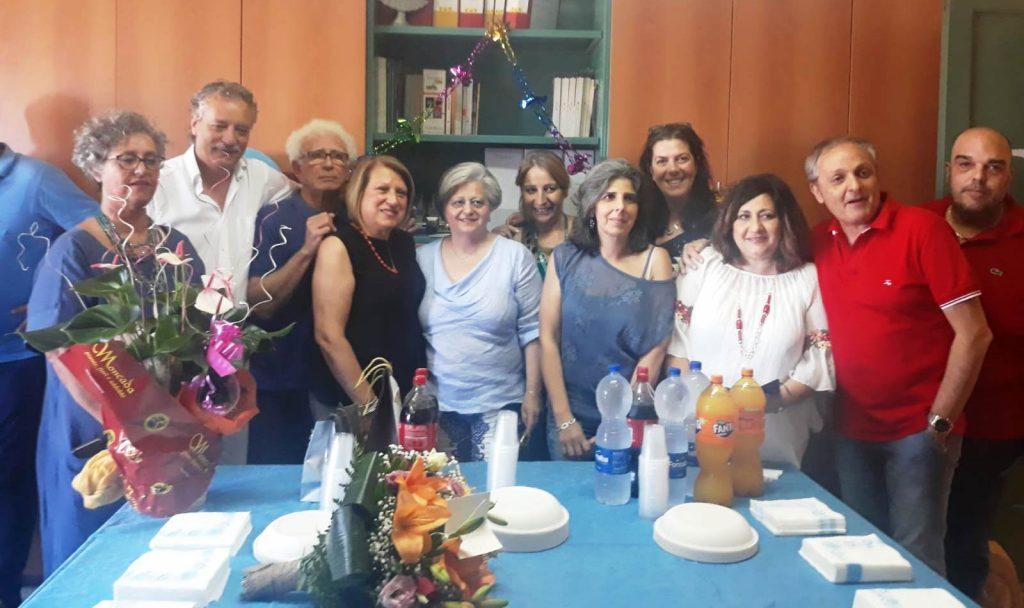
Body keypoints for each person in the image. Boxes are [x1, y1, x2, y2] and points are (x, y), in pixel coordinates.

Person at [26, 111, 203, 576]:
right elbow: (58, 350)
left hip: (166, 432)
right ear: (95, 167)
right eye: (126, 159)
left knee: (163, 564)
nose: (141, 169)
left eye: (151, 160)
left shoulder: (176, 248)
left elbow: (199, 334)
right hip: (95, 433)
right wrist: (125, 431)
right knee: (91, 566)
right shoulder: (74, 249)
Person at [806, 136, 991, 574]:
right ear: (818, 191)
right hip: (851, 431)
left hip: (918, 433)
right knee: (862, 551)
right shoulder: (817, 242)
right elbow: (756, 256)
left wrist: (939, 422)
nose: (854, 186)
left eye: (863, 173)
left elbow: (975, 334)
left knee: (917, 557)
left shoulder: (922, 230)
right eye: (838, 178)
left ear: (877, 177)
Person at [666, 174, 835, 467]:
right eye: (744, 216)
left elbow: (819, 356)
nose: (755, 227)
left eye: (766, 215)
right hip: (700, 426)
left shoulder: (807, 278)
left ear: (784, 222)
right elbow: (678, 343)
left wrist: (770, 401)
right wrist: (696, 407)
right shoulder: (703, 264)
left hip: (775, 433)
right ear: (730, 223)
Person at [921, 127, 1022, 600]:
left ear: (1008, 177)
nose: (977, 177)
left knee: (963, 544)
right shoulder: (916, 224)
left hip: (991, 430)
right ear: (949, 170)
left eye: (993, 167)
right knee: (906, 537)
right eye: (966, 164)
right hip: (911, 422)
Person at [0, 144, 97, 607]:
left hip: (15, 362)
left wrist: (48, 295)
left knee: (7, 482)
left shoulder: (34, 179)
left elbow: (104, 235)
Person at [539, 159, 675, 460]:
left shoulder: (655, 260)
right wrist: (564, 418)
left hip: (629, 418)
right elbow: (548, 338)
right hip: (568, 417)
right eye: (609, 197)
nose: (620, 207)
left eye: (629, 198)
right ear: (592, 206)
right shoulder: (564, 258)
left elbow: (656, 347)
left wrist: (621, 421)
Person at [245, 119, 356, 463]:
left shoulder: (356, 218)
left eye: (338, 156)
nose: (329, 163)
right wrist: (306, 250)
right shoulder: (274, 218)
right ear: (297, 168)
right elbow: (258, 302)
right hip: (281, 381)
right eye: (317, 155)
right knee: (280, 480)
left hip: (341, 380)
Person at [417, 162, 542, 461]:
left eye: (477, 202)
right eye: (457, 202)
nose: (467, 210)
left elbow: (533, 332)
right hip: (437, 407)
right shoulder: (421, 258)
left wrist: (532, 394)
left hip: (500, 405)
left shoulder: (515, 257)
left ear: (491, 207)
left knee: (497, 486)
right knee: (442, 487)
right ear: (444, 208)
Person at [149, 80, 293, 305]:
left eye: (241, 130)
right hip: (177, 321)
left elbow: (302, 193)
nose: (230, 139)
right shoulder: (158, 184)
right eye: (219, 126)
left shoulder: (264, 179)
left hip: (241, 323)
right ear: (195, 124)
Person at [313, 156, 427, 411]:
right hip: (358, 394)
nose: (393, 200)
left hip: (406, 389)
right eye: (382, 189)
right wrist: (370, 405)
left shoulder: (402, 243)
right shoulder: (338, 246)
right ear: (359, 193)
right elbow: (329, 337)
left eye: (401, 193)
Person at [639, 123, 718, 261]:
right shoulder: (637, 220)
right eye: (662, 161)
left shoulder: (722, 222)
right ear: (651, 171)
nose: (673, 169)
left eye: (682, 159)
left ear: (696, 164)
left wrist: (712, 248)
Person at [493, 151, 575, 278]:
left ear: (565, 191)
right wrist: (491, 243)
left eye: (550, 189)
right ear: (522, 193)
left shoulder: (584, 233)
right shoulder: (513, 239)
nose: (540, 201)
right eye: (531, 190)